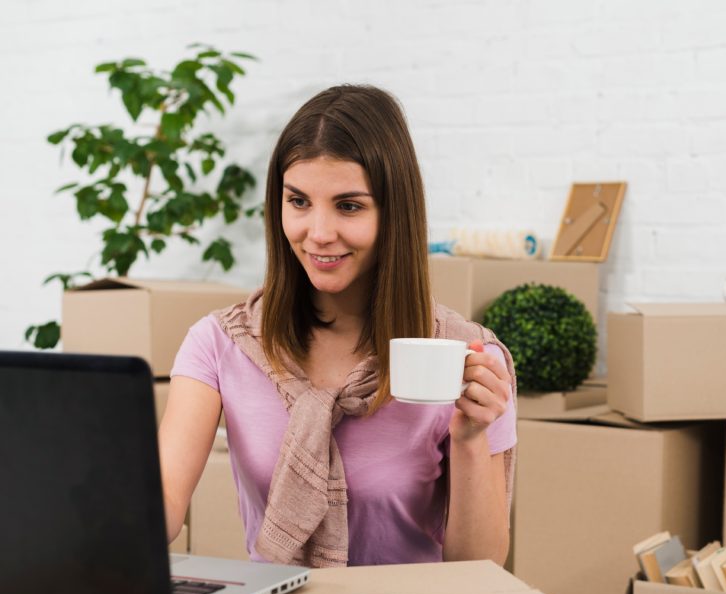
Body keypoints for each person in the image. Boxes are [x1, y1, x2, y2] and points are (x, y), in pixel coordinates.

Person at [158, 85, 516, 568]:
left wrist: (471, 437)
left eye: (349, 206)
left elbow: (480, 569)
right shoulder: (222, 344)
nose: (319, 233)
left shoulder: (467, 359)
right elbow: (162, 506)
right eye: (299, 201)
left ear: (395, 215)